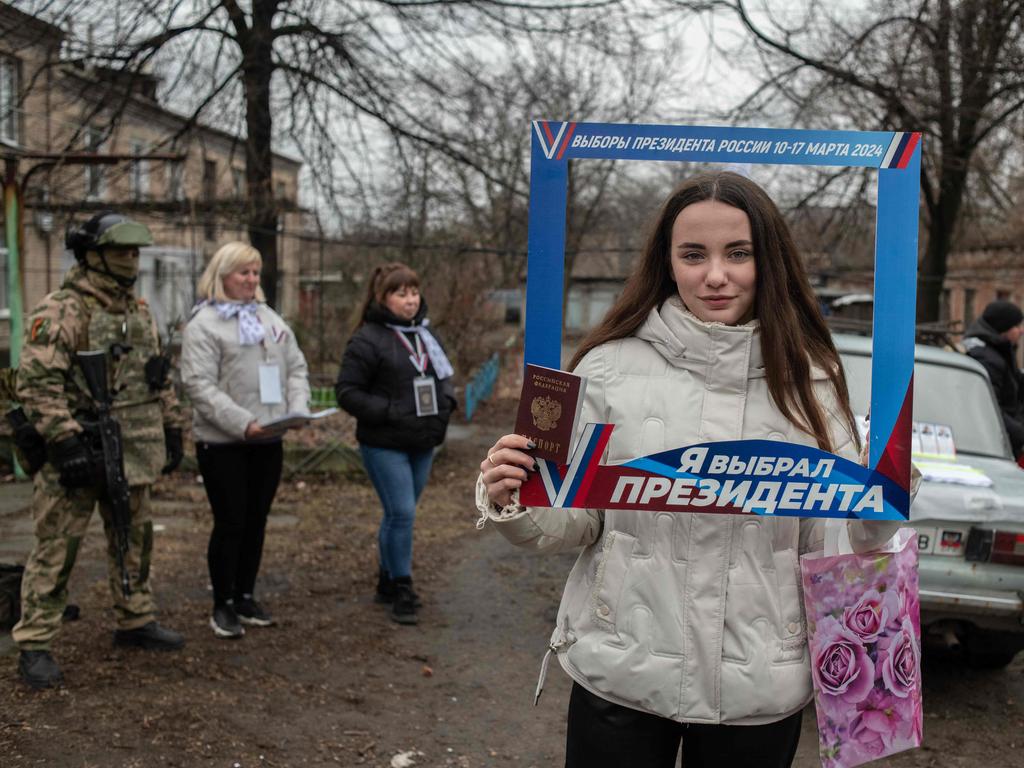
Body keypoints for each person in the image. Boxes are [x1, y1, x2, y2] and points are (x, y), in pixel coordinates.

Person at [476, 172, 904, 768]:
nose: (716, 275)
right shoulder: (606, 367)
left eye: (738, 253)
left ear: (769, 259)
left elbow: (828, 542)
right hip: (622, 671)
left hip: (759, 683)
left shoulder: (814, 379)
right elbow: (578, 520)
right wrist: (516, 500)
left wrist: (879, 512)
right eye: (693, 254)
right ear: (667, 261)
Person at [13, 211, 186, 690]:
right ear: (93, 256)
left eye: (135, 252)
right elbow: (36, 382)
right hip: (77, 447)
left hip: (131, 445)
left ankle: (135, 618)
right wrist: (65, 439)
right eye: (121, 252)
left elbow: (156, 375)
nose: (132, 261)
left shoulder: (139, 311)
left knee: (134, 536)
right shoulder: (62, 310)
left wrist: (171, 427)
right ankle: (35, 642)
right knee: (57, 546)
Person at [180, 242, 310, 639]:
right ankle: (223, 603)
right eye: (244, 273)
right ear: (222, 277)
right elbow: (198, 385)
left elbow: (295, 367)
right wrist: (243, 423)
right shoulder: (204, 324)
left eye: (256, 272)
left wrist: (298, 409)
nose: (252, 280)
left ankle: (246, 595)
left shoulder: (268, 317)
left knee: (257, 520)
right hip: (224, 442)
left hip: (268, 437)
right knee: (231, 521)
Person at [335, 262, 456, 625]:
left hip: (422, 441)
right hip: (384, 442)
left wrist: (445, 407)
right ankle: (403, 586)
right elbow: (347, 392)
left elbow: (444, 379)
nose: (411, 300)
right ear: (382, 298)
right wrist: (389, 410)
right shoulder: (367, 339)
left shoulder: (426, 336)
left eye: (414, 292)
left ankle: (386, 580)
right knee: (403, 512)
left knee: (398, 515)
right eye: (401, 293)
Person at [962, 300, 1024, 459]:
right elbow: (990, 408)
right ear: (1003, 329)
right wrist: (1020, 434)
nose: (1021, 331)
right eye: (1016, 326)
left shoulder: (998, 351)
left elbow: (1014, 382)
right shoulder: (989, 360)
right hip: (999, 444)